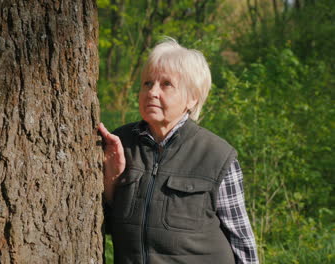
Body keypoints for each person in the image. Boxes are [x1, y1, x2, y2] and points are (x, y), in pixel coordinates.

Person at [98, 38, 259, 264]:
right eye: (147, 83)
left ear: (192, 98)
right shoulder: (119, 143)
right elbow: (98, 223)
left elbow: (242, 241)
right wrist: (112, 178)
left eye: (166, 84)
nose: (152, 92)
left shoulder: (217, 155)